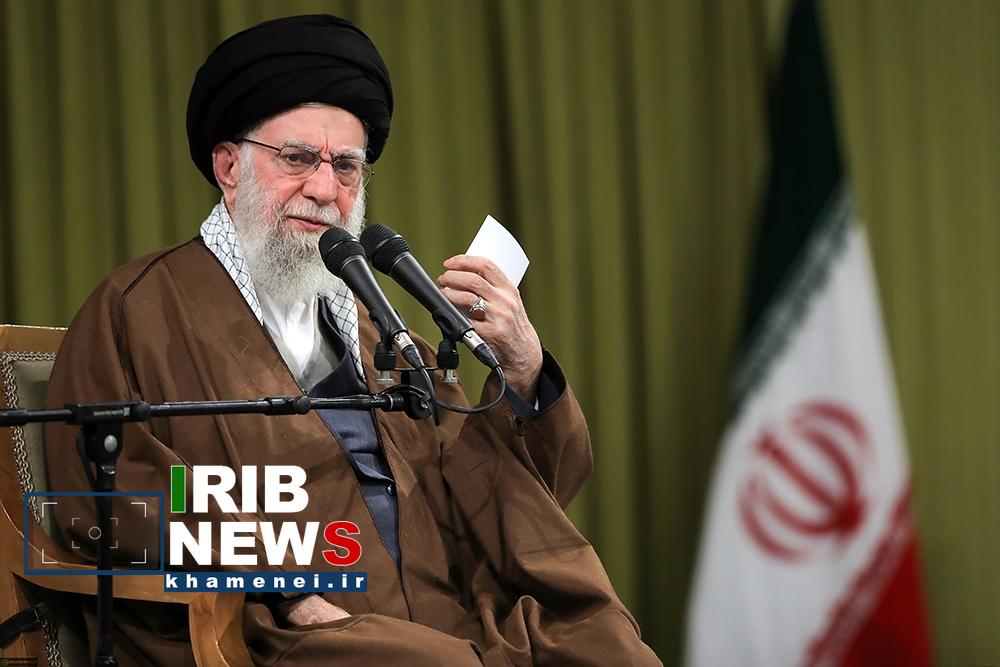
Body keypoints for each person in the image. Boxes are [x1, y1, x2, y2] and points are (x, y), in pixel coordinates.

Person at [43, 14, 660, 667]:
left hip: (447, 617)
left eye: (345, 166)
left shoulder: (375, 329)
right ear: (228, 166)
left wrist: (524, 370)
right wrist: (286, 588)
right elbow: (111, 496)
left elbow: (501, 484)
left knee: (607, 646)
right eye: (297, 159)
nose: (323, 189)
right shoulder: (137, 310)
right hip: (275, 632)